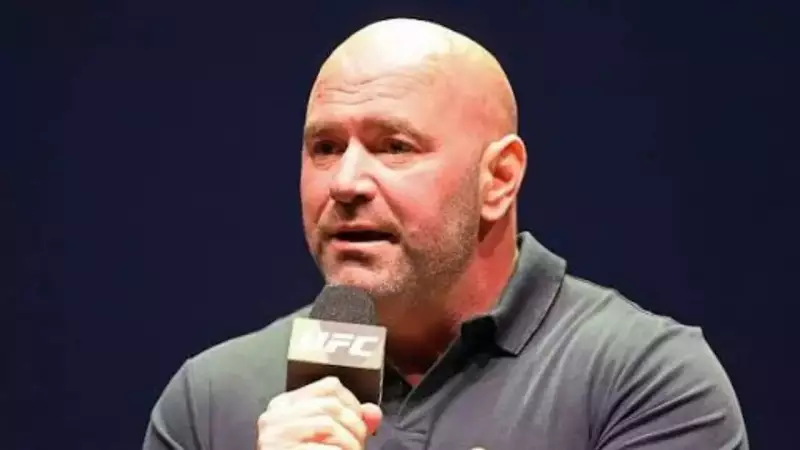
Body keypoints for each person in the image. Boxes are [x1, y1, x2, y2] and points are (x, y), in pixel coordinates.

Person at [142, 17, 748, 450]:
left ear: (498, 178)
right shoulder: (211, 400)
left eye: (394, 146)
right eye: (325, 147)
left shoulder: (643, 381)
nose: (346, 182)